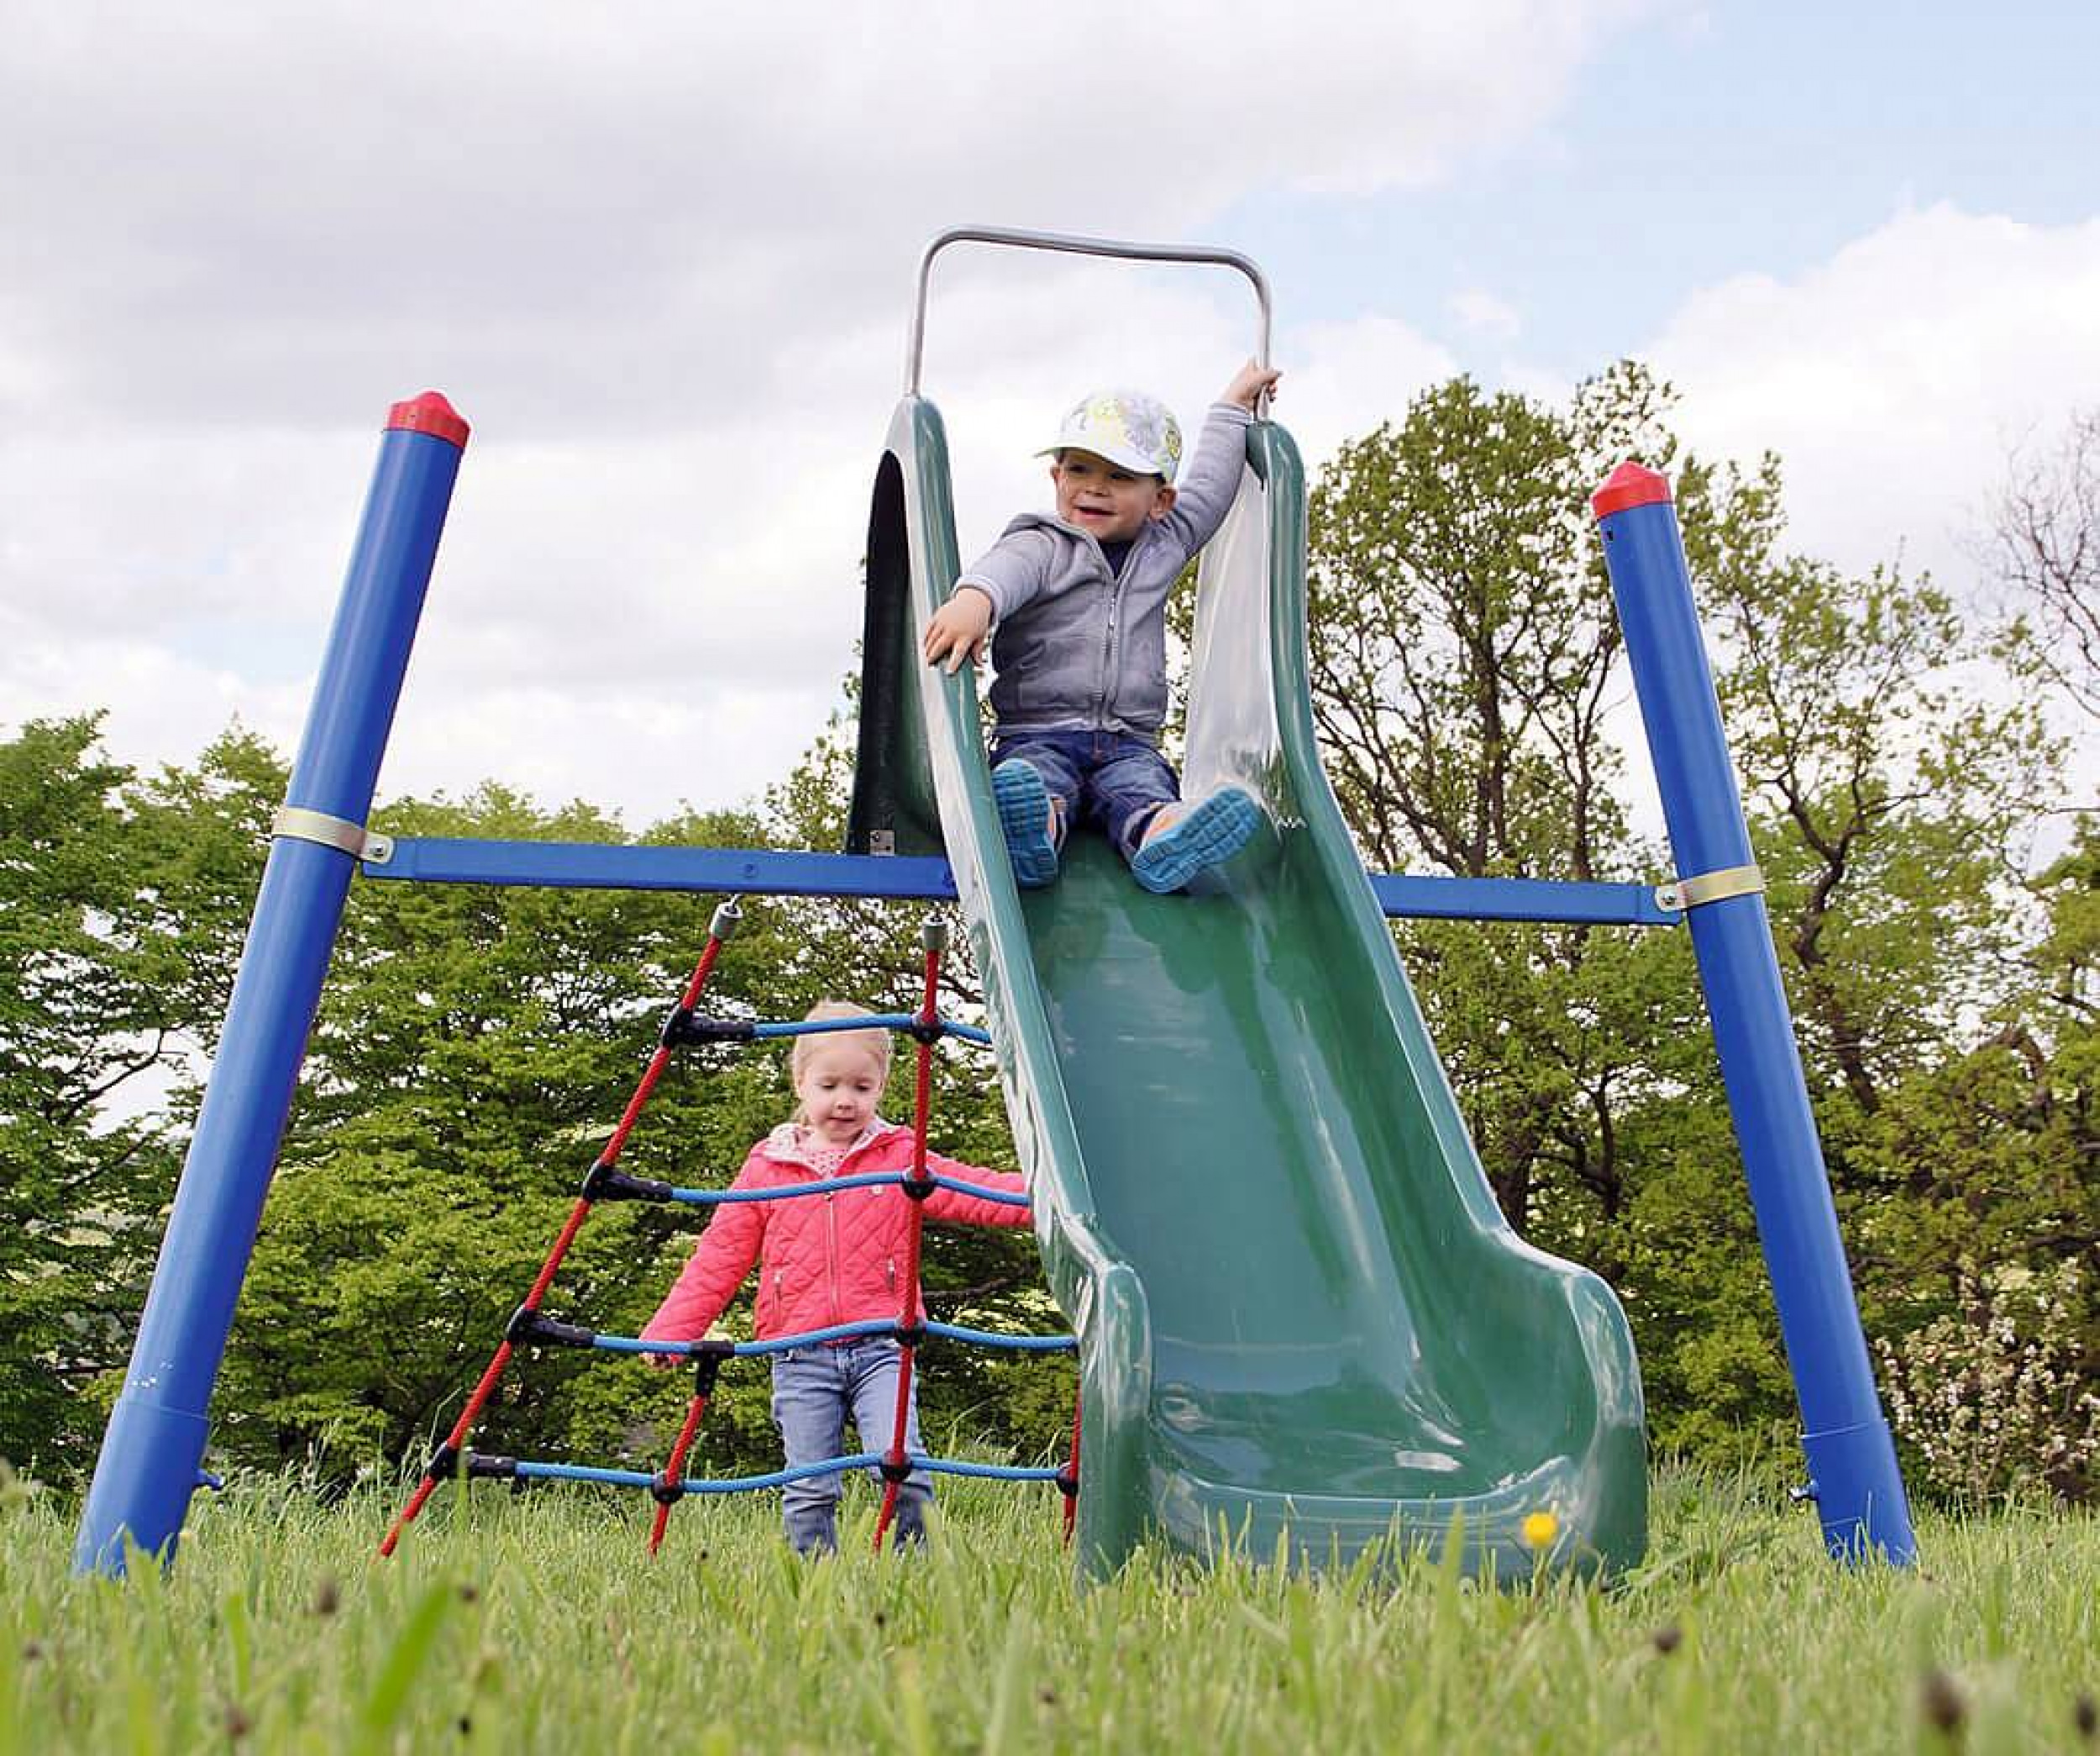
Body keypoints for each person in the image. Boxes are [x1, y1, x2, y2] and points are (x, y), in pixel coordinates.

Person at [640, 1003, 1030, 1554]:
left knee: (902, 1468)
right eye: (828, 1084)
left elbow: (974, 1190)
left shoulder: (899, 1157)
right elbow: (720, 1254)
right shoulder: (768, 1167)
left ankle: (917, 1576)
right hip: (800, 1353)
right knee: (809, 1485)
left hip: (884, 1346)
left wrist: (1048, 1198)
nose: (845, 1099)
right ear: (800, 1082)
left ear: (882, 1086)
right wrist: (674, 1328)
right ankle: (812, 1587)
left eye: (861, 1086)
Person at [921, 360, 1283, 894]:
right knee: (1035, 784)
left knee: (1142, 792)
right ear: (1056, 477)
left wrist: (1231, 408)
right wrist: (974, 602)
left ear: (1160, 500)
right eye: (1079, 470)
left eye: (1119, 477)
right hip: (1038, 733)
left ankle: (1167, 836)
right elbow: (1004, 572)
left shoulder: (1165, 545)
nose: (1095, 489)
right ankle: (1032, 831)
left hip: (1128, 743)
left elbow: (1209, 487)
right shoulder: (1043, 545)